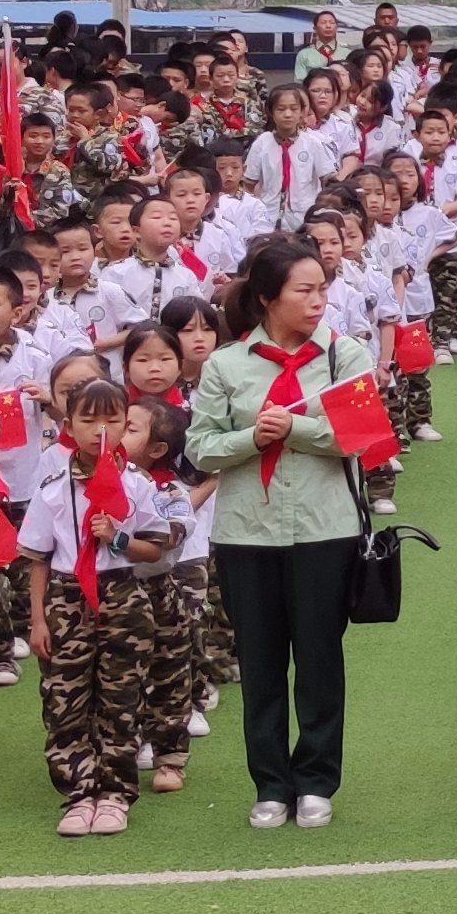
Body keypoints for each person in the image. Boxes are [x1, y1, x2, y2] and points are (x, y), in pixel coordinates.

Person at [189, 238, 380, 830]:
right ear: (268, 297)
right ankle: (271, 783)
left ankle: (317, 779)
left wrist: (293, 428)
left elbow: (363, 435)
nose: (319, 300)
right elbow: (200, 446)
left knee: (321, 656)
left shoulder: (346, 355)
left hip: (327, 529)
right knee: (262, 661)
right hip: (248, 532)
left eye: (323, 288)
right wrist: (255, 439)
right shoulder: (225, 364)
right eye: (305, 290)